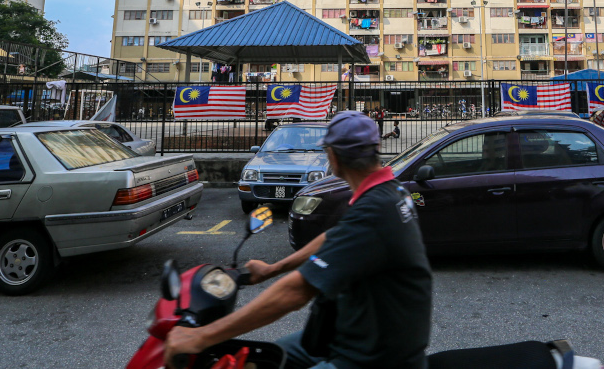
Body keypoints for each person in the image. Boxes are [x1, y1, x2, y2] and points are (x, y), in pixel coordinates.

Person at [164, 111, 432, 369]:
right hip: (353, 331)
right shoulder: (389, 190)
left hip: (375, 355)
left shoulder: (375, 210)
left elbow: (296, 291)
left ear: (334, 156)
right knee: (270, 355)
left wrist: (202, 337)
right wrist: (274, 269)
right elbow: (334, 237)